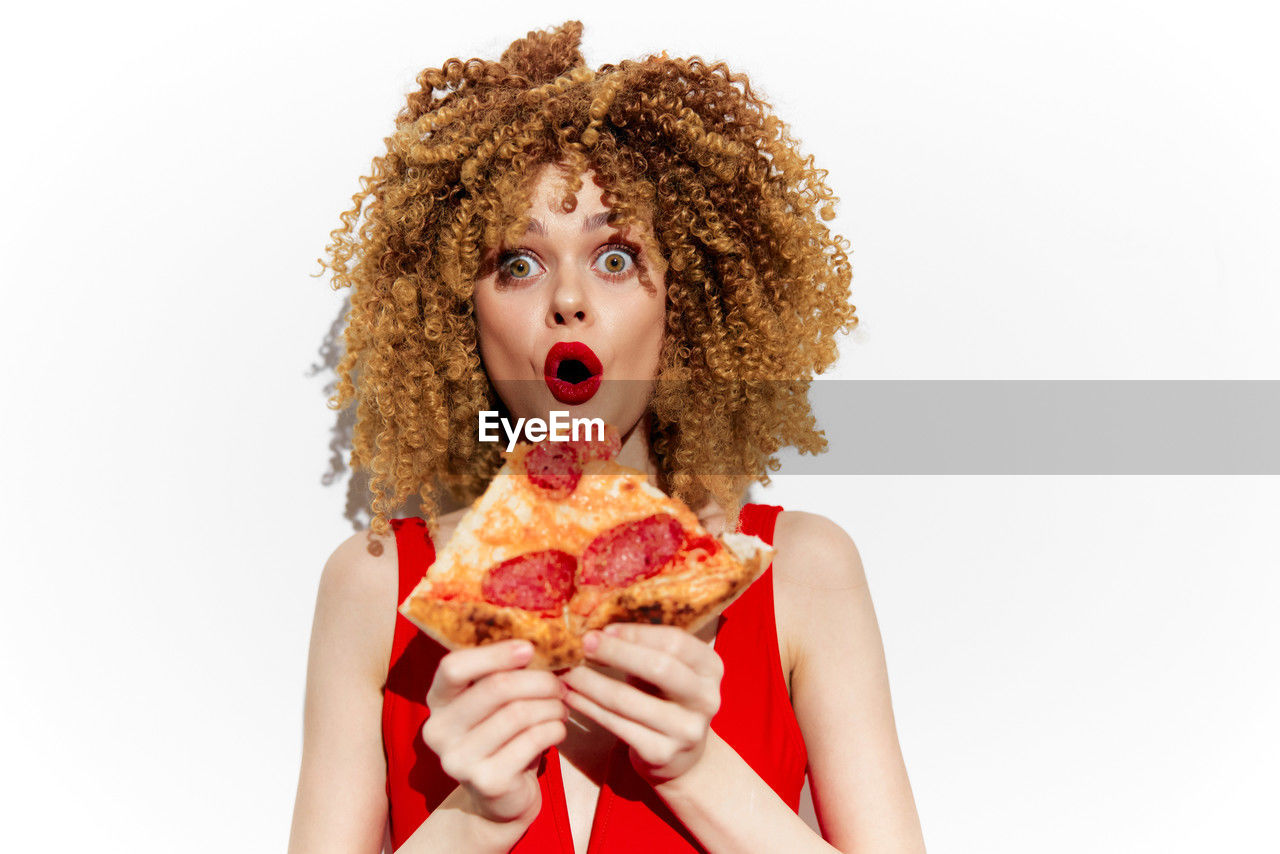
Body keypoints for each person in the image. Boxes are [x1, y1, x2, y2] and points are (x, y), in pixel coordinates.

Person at [288, 21, 926, 854]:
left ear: (686, 302)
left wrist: (696, 769)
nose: (568, 301)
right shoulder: (373, 590)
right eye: (517, 263)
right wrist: (473, 823)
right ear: (460, 314)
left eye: (617, 257)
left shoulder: (804, 572)